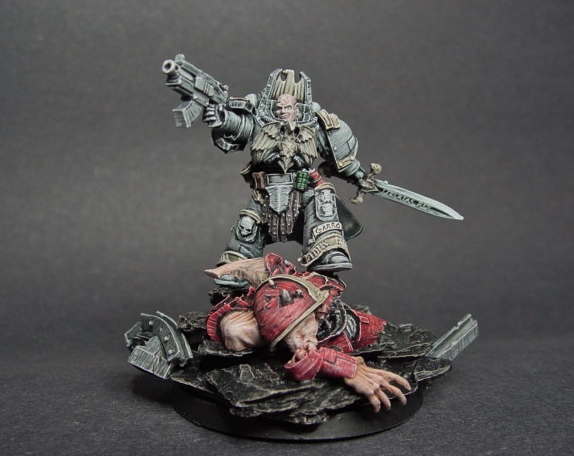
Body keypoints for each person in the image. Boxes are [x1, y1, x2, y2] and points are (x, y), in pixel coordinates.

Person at [202, 69, 374, 276]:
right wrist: (222, 118)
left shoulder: (313, 126)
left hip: (302, 189)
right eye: (279, 108)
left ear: (297, 109)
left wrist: (359, 176)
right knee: (247, 226)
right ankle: (237, 269)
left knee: (323, 200)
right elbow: (238, 125)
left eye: (288, 107)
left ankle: (327, 252)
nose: (282, 112)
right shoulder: (260, 125)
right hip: (265, 192)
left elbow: (340, 158)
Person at [205, 253, 411, 412]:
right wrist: (348, 369)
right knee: (235, 331)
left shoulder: (319, 302)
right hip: (324, 327)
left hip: (352, 324)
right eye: (296, 333)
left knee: (376, 329)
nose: (302, 341)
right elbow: (307, 358)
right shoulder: (245, 326)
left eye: (303, 327)